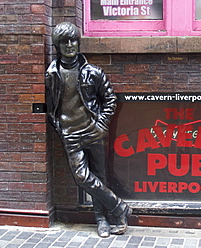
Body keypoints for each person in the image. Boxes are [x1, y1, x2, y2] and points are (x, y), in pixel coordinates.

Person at [45, 22, 132, 238]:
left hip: (93, 131)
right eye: (64, 42)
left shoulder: (93, 72)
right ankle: (119, 207)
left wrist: (101, 125)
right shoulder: (52, 74)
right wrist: (59, 127)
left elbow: (110, 99)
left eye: (73, 40)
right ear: (57, 46)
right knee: (82, 177)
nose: (70, 45)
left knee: (99, 177)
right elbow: (50, 106)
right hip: (70, 134)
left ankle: (102, 221)